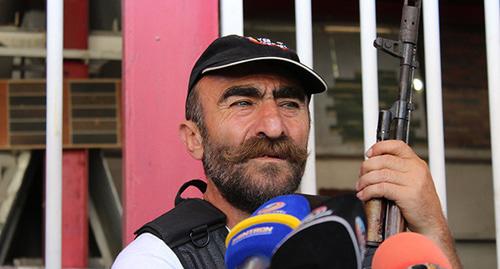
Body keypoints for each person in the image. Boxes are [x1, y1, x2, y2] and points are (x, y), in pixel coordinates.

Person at [112, 35, 461, 269]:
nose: (274, 126)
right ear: (194, 138)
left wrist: (432, 228)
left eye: (290, 103)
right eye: (243, 102)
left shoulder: (345, 232)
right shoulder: (157, 259)